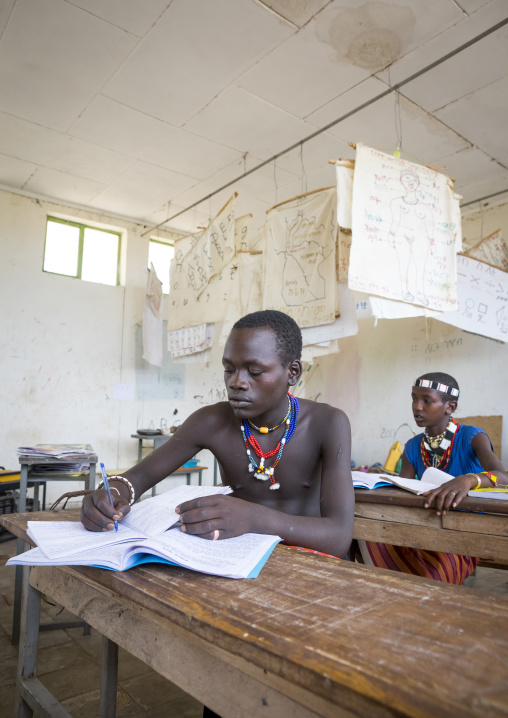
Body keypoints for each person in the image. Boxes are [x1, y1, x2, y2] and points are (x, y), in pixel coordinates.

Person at [81, 310, 355, 561]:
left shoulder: (328, 423)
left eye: (255, 371)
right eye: (229, 369)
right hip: (234, 561)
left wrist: (252, 517)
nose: (237, 382)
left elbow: (338, 538)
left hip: (309, 565)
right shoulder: (212, 421)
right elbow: (136, 479)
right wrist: (109, 494)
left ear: (292, 372)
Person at [362, 371, 508, 584]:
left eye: (426, 401)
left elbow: (502, 476)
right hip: (426, 525)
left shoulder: (472, 437)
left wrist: (467, 480)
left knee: (433, 578)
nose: (417, 407)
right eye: (414, 398)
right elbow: (403, 488)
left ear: (450, 407)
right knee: (367, 540)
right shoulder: (413, 446)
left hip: (466, 531)